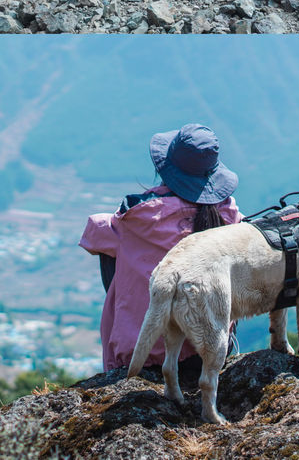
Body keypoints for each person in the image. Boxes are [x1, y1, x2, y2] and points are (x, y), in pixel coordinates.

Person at [79, 123, 242, 371]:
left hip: (143, 352)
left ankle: (130, 327)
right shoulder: (230, 218)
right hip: (207, 350)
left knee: (111, 250)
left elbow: (92, 235)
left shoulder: (135, 219)